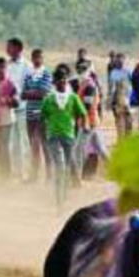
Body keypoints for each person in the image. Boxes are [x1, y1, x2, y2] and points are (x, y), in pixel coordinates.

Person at [40, 66, 87, 205]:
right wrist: (44, 135)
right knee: (60, 166)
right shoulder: (49, 99)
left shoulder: (73, 97)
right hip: (53, 136)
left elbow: (82, 114)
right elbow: (42, 118)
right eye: (60, 79)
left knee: (66, 166)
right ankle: (58, 199)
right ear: (55, 82)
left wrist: (78, 132)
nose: (62, 82)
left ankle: (64, 195)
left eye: (64, 79)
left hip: (69, 136)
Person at [22, 48, 53, 182]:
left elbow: (44, 93)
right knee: (33, 146)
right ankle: (34, 175)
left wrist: (31, 93)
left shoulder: (46, 73)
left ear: (42, 58)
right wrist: (34, 93)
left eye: (39, 57)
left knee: (44, 145)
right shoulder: (29, 74)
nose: (37, 59)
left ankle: (49, 175)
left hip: (42, 114)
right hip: (30, 114)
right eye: (35, 57)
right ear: (32, 58)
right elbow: (23, 94)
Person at [75, 58, 107, 179]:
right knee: (102, 150)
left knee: (78, 150)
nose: (80, 71)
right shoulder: (84, 83)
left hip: (88, 122)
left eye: (83, 69)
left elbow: (87, 106)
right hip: (91, 122)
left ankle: (76, 177)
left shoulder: (89, 86)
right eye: (79, 68)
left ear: (89, 70)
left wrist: (83, 122)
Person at [5, 38, 31, 180]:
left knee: (23, 142)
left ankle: (25, 173)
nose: (7, 49)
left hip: (22, 108)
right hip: (9, 109)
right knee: (12, 143)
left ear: (18, 48)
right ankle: (15, 172)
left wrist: (17, 97)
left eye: (9, 47)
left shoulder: (27, 65)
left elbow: (29, 87)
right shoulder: (7, 65)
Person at [0, 57, 19, 178]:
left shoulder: (10, 83)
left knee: (5, 147)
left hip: (7, 119)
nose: (1, 70)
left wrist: (8, 100)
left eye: (3, 67)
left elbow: (16, 102)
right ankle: (1, 173)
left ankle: (7, 175)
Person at [108, 52, 132, 139]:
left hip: (127, 99)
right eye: (118, 60)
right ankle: (120, 139)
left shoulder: (128, 71)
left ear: (124, 60)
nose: (120, 62)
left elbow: (133, 83)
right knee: (119, 120)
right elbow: (111, 87)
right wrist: (110, 100)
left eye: (122, 60)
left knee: (128, 121)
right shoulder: (113, 72)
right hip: (117, 99)